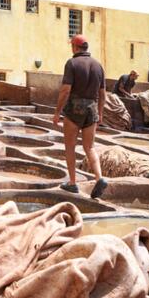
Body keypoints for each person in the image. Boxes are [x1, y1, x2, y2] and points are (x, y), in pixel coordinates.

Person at [52, 34, 108, 199]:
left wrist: (57, 112)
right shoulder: (98, 66)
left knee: (70, 147)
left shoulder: (72, 63)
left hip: (74, 108)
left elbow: (65, 90)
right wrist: (100, 113)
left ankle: (72, 183)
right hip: (92, 109)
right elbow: (103, 94)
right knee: (89, 147)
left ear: (75, 47)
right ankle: (100, 178)